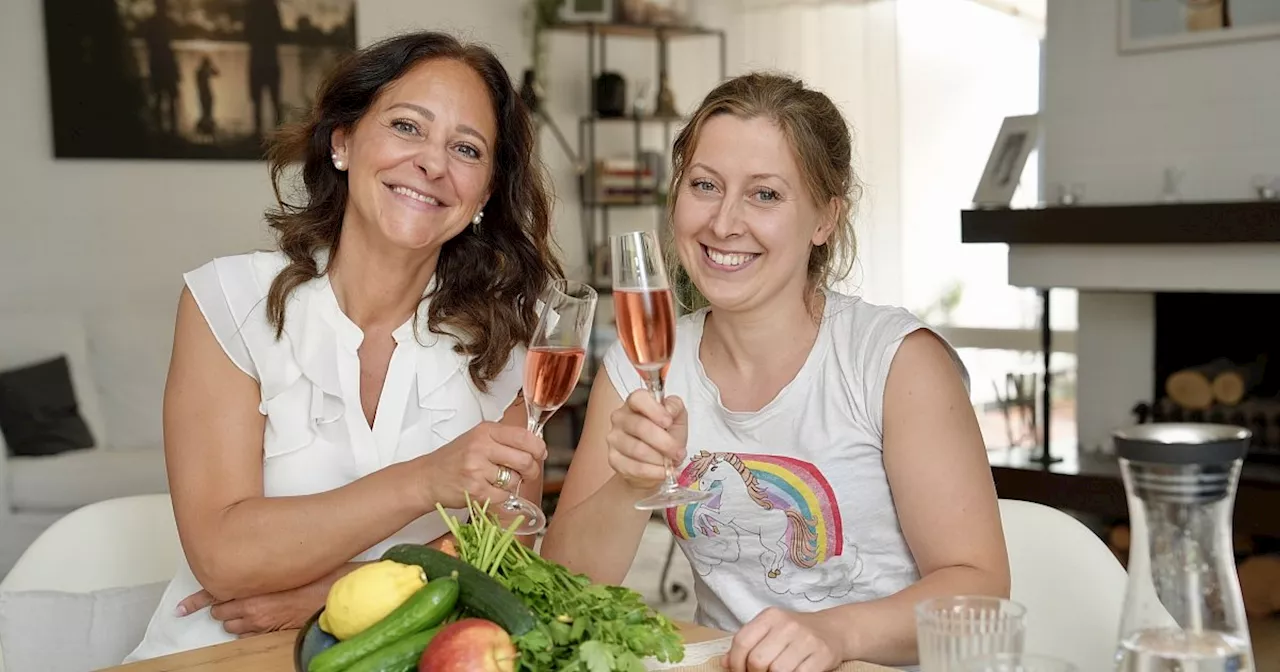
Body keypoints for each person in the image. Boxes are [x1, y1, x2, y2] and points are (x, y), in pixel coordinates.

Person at [540, 72, 1009, 671]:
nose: (724, 222)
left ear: (824, 219)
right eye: (705, 185)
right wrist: (631, 486)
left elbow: (980, 590)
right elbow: (561, 592)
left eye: (765, 195)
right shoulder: (642, 365)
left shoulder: (893, 361)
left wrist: (836, 634)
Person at [124, 31, 561, 662]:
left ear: (484, 194)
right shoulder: (228, 302)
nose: (432, 164)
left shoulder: (511, 344)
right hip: (224, 649)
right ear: (343, 142)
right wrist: (427, 482)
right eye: (407, 127)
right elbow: (223, 555)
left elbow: (506, 553)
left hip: (414, 653)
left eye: (465, 149)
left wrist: (329, 591)